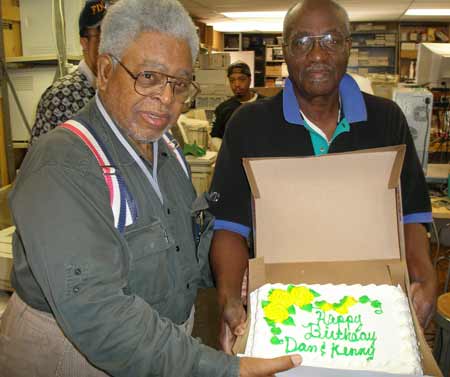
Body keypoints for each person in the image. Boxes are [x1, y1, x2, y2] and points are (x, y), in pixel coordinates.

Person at [0, 0, 301, 376]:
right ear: (106, 70)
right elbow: (98, 312)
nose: (166, 99)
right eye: (149, 77)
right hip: (77, 353)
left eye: (179, 84)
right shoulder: (63, 162)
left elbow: (187, 238)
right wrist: (221, 369)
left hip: (159, 348)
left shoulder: (165, 146)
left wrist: (235, 285)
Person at [209, 0, 438, 354]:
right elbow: (229, 228)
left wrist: (425, 278)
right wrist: (229, 298)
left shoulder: (386, 121)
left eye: (331, 39)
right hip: (283, 312)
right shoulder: (248, 126)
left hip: (369, 313)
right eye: (302, 41)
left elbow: (410, 217)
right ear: (285, 50)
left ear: (349, 45)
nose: (317, 54)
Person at [29, 0, 107, 144]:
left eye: (116, 35)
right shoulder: (61, 97)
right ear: (84, 42)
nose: (111, 44)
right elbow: (43, 161)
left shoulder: (123, 91)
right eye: (102, 36)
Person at [210, 61, 264, 151]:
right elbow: (215, 136)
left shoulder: (265, 105)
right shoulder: (223, 109)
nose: (237, 84)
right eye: (232, 80)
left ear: (250, 80)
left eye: (242, 79)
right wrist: (227, 152)